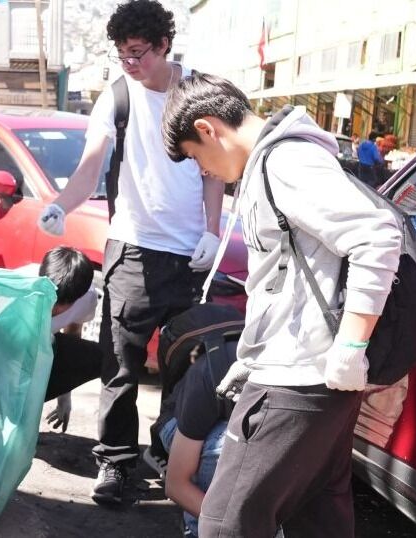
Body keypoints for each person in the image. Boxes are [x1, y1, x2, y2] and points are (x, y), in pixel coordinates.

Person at [162, 72, 402, 537]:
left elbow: (377, 234)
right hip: (310, 377)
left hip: (299, 379)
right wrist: (250, 359)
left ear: (209, 129)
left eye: (196, 157)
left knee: (225, 522)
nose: (203, 171)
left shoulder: (285, 163)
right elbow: (277, 285)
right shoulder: (271, 165)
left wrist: (351, 345)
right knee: (317, 519)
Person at [35, 0, 225, 506]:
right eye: (122, 55)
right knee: (119, 364)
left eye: (139, 53)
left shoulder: (198, 93)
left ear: (165, 45)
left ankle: (167, 462)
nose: (130, 64)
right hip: (133, 249)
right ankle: (116, 465)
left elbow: (212, 172)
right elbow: (90, 165)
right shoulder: (116, 96)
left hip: (189, 255)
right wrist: (60, 206)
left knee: (184, 367)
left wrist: (212, 231)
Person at [149, 339, 236, 537]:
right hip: (178, 425)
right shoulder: (213, 372)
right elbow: (177, 484)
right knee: (224, 444)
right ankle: (198, 529)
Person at [18, 246, 104, 433]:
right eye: (49, 299)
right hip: (8, 348)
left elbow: (72, 336)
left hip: (41, 348)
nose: (52, 309)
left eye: (60, 306)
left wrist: (64, 398)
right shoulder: (20, 285)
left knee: (100, 356)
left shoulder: (86, 297)